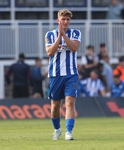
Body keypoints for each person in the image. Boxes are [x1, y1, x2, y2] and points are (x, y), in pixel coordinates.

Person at [45, 9, 81, 140]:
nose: (65, 22)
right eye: (63, 19)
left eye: (67, 19)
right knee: (55, 106)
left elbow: (74, 48)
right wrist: (59, 37)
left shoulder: (76, 33)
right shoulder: (50, 35)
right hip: (55, 75)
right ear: (58, 20)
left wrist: (64, 36)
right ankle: (57, 129)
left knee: (70, 102)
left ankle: (68, 132)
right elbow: (49, 52)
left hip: (71, 74)